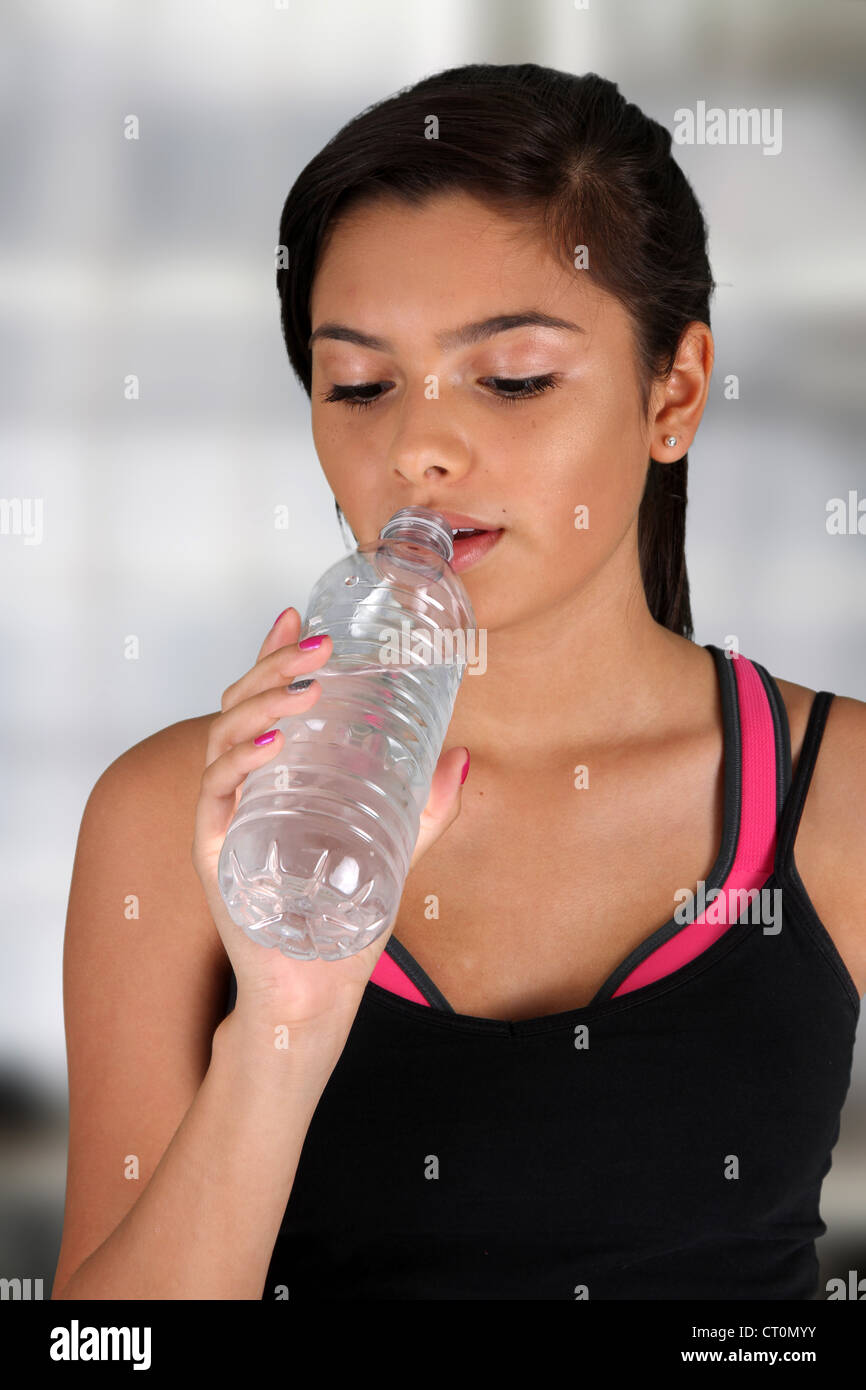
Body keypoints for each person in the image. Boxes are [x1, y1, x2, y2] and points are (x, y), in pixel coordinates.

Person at [52, 63, 864, 1301]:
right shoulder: (177, 817)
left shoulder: (839, 794)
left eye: (514, 377)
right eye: (359, 385)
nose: (415, 445)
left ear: (674, 391)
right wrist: (283, 1025)